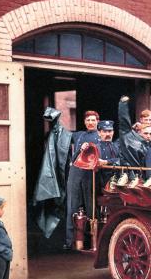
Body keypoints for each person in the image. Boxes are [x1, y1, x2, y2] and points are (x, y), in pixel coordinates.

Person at [32, 107, 72, 239]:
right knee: (51, 201)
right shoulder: (51, 135)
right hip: (52, 172)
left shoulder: (63, 134)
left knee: (61, 200)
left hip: (63, 172)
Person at [63, 110, 100, 250]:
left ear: (97, 121)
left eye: (93, 120)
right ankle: (71, 241)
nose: (90, 123)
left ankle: (93, 242)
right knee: (72, 204)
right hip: (75, 171)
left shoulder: (100, 135)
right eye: (88, 120)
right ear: (84, 122)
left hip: (91, 172)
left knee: (91, 205)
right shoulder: (79, 135)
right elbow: (61, 137)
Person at [117, 97, 151, 167]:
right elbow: (124, 123)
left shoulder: (148, 144)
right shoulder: (130, 138)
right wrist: (123, 105)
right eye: (146, 133)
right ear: (138, 132)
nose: (148, 136)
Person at [95, 120, 122, 186]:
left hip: (116, 182)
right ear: (99, 133)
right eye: (104, 131)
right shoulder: (95, 148)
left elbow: (122, 160)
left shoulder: (117, 147)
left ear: (113, 132)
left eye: (110, 131)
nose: (107, 134)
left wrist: (106, 162)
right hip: (99, 182)